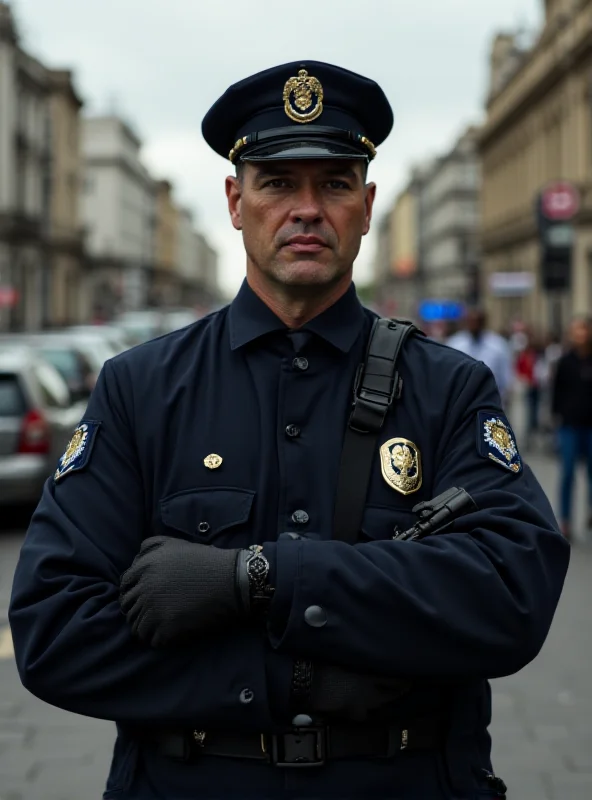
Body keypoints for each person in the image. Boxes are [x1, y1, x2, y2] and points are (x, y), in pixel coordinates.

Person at [9, 60, 569, 800]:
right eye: (277, 183)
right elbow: (55, 630)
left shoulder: (447, 388)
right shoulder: (141, 389)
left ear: (367, 206)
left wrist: (258, 582)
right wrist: (339, 659)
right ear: (236, 201)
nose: (307, 209)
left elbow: (511, 596)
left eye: (334, 183)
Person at [551, 315, 592, 542]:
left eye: (584, 330)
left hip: (590, 425)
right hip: (569, 425)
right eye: (577, 331)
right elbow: (556, 393)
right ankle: (565, 519)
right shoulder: (565, 361)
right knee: (567, 472)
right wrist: (556, 420)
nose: (581, 335)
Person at [447, 307, 514, 406]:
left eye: (477, 322)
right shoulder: (455, 344)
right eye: (472, 321)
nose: (474, 325)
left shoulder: (498, 345)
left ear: (483, 322)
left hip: (491, 402)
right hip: (462, 403)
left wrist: (506, 397)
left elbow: (506, 375)